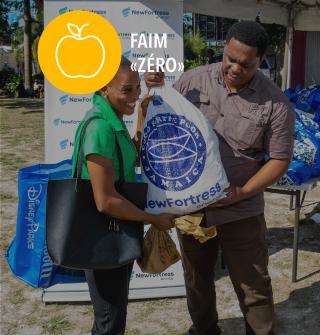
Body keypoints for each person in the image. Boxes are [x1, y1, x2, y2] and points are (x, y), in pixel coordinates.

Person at [145, 21, 295, 335]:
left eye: (246, 63)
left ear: (261, 61)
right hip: (192, 209)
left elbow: (279, 160)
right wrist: (153, 92)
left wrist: (241, 192)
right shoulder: (192, 80)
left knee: (253, 284)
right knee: (197, 279)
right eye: (230, 58)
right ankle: (204, 330)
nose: (235, 68)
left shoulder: (276, 103)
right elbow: (164, 123)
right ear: (225, 47)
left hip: (241, 209)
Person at [72, 56, 175, 335]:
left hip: (115, 232)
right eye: (126, 90)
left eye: (137, 88)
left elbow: (134, 158)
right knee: (109, 322)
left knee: (112, 316)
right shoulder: (101, 128)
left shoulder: (112, 119)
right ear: (104, 88)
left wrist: (142, 112)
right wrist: (152, 218)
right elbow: (105, 201)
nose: (134, 95)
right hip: (104, 237)